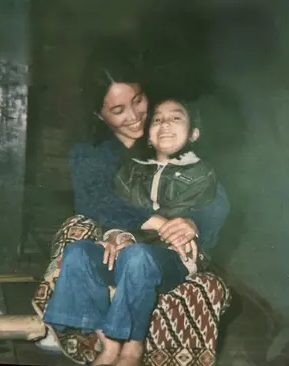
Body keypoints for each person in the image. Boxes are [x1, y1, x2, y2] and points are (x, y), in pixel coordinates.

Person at [41, 58, 230, 366]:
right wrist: (119, 232)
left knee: (139, 258)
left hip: (161, 251)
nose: (135, 117)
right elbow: (97, 202)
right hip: (121, 236)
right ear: (99, 115)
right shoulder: (94, 151)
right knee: (78, 241)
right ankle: (84, 330)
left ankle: (127, 343)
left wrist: (192, 223)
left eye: (138, 100)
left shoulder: (166, 131)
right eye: (118, 111)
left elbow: (215, 198)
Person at [114, 98, 218, 257]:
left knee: (137, 256)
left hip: (175, 251)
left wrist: (134, 239)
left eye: (176, 118)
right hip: (130, 246)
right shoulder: (129, 171)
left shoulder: (201, 173)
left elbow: (180, 221)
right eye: (157, 119)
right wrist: (118, 236)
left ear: (193, 134)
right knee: (78, 252)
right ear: (149, 137)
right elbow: (115, 208)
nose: (165, 123)